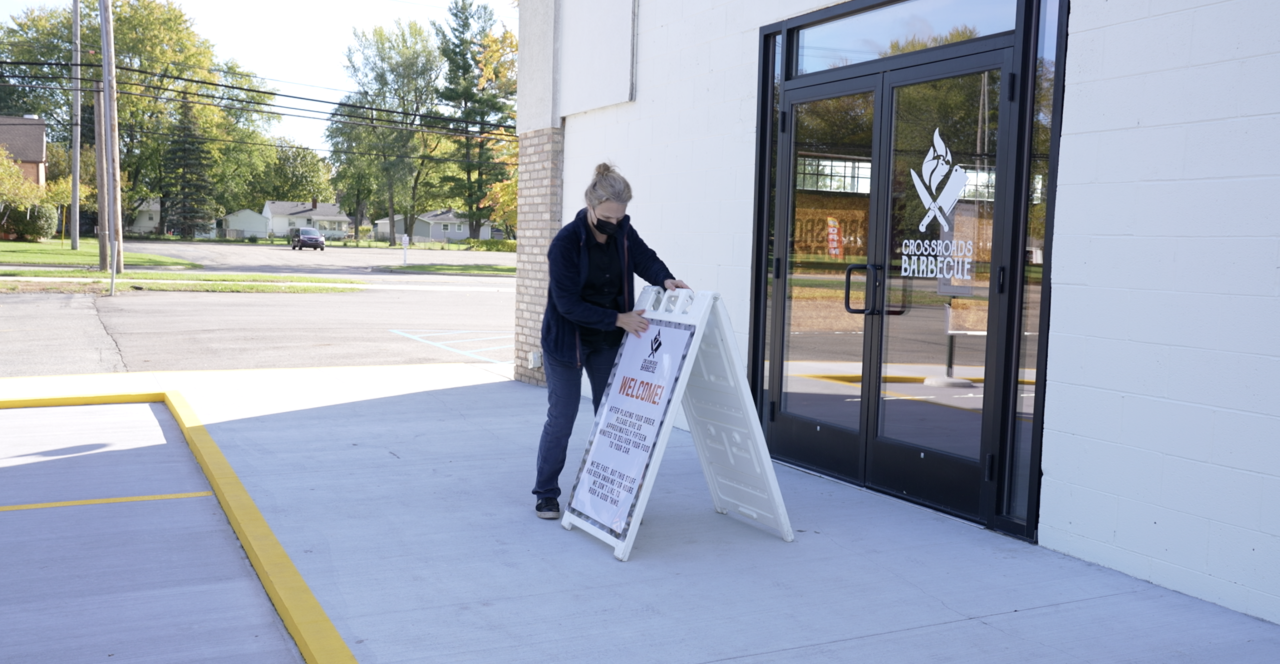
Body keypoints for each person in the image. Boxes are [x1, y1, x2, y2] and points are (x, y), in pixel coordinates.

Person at [533, 163, 689, 519]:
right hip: (566, 343)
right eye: (606, 218)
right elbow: (567, 303)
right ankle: (546, 492)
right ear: (590, 206)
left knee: (611, 417)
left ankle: (606, 494)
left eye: (619, 217)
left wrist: (665, 279)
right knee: (562, 418)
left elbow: (645, 259)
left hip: (606, 341)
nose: (613, 224)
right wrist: (619, 318)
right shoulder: (566, 244)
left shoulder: (623, 231)